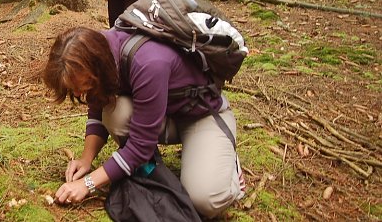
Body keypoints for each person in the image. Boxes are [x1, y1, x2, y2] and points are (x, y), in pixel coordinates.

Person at [43, 27, 245, 219]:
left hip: (202, 115)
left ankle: (228, 167)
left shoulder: (148, 62)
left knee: (205, 201)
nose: (78, 94)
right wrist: (86, 159)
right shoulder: (101, 50)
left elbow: (140, 147)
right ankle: (148, 169)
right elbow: (98, 102)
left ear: (97, 67)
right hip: (164, 114)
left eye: (82, 86)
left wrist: (87, 184)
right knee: (114, 113)